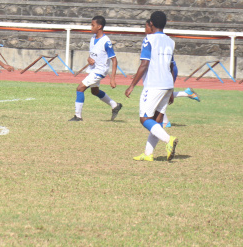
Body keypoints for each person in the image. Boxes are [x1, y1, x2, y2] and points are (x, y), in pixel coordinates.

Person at [125, 11, 177, 162]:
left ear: (151, 23)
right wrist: (171, 90)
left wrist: (132, 85)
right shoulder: (170, 41)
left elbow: (144, 63)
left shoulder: (149, 39)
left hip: (154, 84)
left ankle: (169, 140)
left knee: (144, 118)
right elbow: (172, 67)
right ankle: (148, 154)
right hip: (167, 84)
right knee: (157, 119)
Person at [69, 15, 122, 122]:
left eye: (92, 25)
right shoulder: (93, 38)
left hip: (100, 71)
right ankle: (114, 105)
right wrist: (89, 59)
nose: (91, 27)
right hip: (93, 69)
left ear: (99, 26)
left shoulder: (106, 42)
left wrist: (112, 79)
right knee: (95, 91)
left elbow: (114, 60)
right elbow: (93, 55)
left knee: (80, 88)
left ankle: (78, 116)